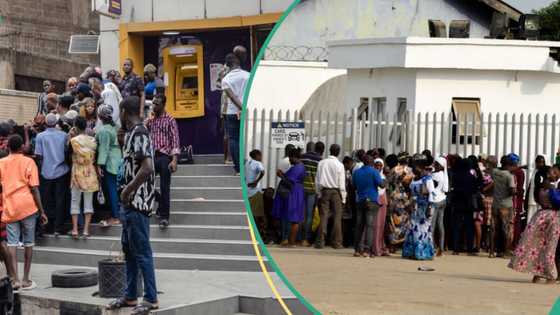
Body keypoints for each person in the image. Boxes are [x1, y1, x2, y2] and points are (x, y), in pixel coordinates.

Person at [107, 96, 158, 313]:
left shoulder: (140, 133)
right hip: (128, 204)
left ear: (124, 111)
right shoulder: (130, 134)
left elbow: (147, 167)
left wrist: (128, 190)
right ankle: (130, 296)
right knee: (129, 251)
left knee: (142, 252)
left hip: (137, 203)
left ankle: (150, 299)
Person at [0, 135, 48, 290]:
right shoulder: (29, 162)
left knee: (12, 243)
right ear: (22, 147)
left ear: (8, 147)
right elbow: (34, 188)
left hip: (10, 207)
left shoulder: (1, 163)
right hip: (28, 207)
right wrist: (42, 212)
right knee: (29, 243)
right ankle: (26, 279)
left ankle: (14, 280)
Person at [509, 165, 560, 284]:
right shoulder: (549, 187)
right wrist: (553, 190)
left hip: (543, 216)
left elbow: (540, 200)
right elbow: (557, 202)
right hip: (551, 217)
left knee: (540, 247)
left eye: (556, 172)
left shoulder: (542, 186)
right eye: (553, 172)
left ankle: (543, 274)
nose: (555, 175)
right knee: (546, 247)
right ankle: (545, 274)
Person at [145, 94, 180, 229]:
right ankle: (160, 201)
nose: (154, 106)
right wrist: (148, 120)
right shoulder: (151, 119)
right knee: (147, 184)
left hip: (165, 157)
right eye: (153, 103)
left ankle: (165, 217)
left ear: (163, 104)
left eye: (157, 104)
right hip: (151, 156)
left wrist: (175, 160)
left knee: (165, 187)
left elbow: (175, 140)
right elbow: (142, 130)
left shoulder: (170, 119)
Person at [34, 113, 70, 236]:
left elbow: (39, 155)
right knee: (60, 199)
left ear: (45, 123)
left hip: (46, 172)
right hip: (61, 171)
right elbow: (67, 152)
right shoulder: (64, 135)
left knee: (46, 200)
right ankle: (58, 227)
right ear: (56, 123)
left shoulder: (40, 136)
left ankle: (45, 226)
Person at [68, 117, 98, 239]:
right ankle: (86, 230)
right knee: (88, 202)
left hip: (77, 173)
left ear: (75, 126)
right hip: (90, 172)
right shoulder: (93, 140)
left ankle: (75, 229)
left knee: (75, 201)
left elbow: (68, 154)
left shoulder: (73, 141)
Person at [402, 154, 435, 260]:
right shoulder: (414, 178)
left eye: (415, 166)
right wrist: (408, 204)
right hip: (414, 208)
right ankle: (411, 252)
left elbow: (431, 194)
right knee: (412, 229)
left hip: (424, 208)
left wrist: (429, 209)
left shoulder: (427, 178)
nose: (413, 168)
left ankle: (422, 253)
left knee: (423, 231)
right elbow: (411, 194)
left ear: (420, 166)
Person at [221, 53, 249, 175]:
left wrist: (239, 107)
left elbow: (231, 97)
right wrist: (244, 108)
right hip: (246, 111)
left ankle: (238, 169)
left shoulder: (225, 79)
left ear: (227, 65)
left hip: (232, 112)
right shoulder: (248, 75)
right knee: (246, 138)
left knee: (234, 139)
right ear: (238, 63)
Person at [352, 155, 385, 257]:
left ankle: (357, 250)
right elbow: (381, 185)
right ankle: (367, 250)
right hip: (372, 201)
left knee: (359, 226)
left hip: (360, 200)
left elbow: (354, 186)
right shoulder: (374, 172)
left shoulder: (356, 172)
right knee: (370, 226)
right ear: (371, 163)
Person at [315, 144, 346, 249]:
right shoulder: (339, 165)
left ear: (329, 150)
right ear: (338, 152)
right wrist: (344, 197)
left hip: (324, 191)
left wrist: (319, 193)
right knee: (337, 217)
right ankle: (336, 242)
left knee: (323, 216)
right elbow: (341, 183)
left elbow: (318, 180)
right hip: (336, 192)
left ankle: (320, 241)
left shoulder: (321, 163)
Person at [272, 148, 306, 247]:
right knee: (293, 218)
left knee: (294, 218)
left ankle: (291, 242)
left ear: (295, 157)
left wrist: (280, 175)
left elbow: (290, 182)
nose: (289, 160)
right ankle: (290, 241)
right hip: (296, 192)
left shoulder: (297, 168)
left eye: (290, 158)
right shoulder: (298, 166)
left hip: (294, 193)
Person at [96, 105, 122, 227]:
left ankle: (115, 216)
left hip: (110, 162)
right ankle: (116, 213)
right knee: (116, 189)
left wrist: (100, 165)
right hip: (119, 159)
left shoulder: (103, 130)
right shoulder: (116, 127)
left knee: (111, 190)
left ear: (100, 116)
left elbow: (104, 149)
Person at [488, 155, 516, 258]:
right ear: (509, 165)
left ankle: (492, 252)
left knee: (494, 228)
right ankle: (505, 252)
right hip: (506, 205)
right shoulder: (509, 176)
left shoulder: (495, 172)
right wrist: (515, 192)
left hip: (495, 204)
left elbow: (493, 168)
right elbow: (512, 191)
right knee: (506, 229)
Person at [386, 152, 413, 251]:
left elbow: (388, 185)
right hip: (405, 199)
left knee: (393, 222)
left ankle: (393, 245)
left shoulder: (393, 170)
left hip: (394, 198)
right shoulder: (410, 170)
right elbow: (411, 187)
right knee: (405, 222)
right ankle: (403, 244)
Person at [451, 158, 477, 255]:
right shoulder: (471, 177)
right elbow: (475, 189)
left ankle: (456, 249)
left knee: (456, 227)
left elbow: (453, 188)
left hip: (457, 203)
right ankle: (469, 249)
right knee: (469, 227)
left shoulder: (456, 176)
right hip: (468, 204)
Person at [300, 142, 322, 246]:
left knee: (300, 214)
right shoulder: (319, 160)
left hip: (301, 189)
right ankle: (306, 239)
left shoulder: (301, 157)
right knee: (309, 215)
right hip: (312, 190)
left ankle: (298, 237)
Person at [246, 150, 266, 240]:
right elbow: (262, 172)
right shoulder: (258, 163)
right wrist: (256, 181)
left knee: (251, 214)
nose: (261, 157)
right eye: (260, 155)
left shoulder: (247, 163)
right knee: (257, 215)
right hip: (255, 191)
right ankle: (258, 235)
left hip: (248, 191)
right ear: (257, 155)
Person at [430, 156, 448, 256]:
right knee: (440, 225)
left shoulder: (435, 175)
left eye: (436, 164)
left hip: (435, 201)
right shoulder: (444, 175)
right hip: (443, 200)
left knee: (432, 226)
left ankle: (432, 247)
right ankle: (441, 248)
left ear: (441, 166)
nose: (434, 165)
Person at [371, 158, 389, 256]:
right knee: (375, 225)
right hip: (376, 200)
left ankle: (380, 246)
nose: (378, 167)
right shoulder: (374, 176)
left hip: (382, 201)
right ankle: (375, 248)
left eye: (380, 165)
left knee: (381, 225)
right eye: (376, 165)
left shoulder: (382, 176)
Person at [526, 155, 549, 224]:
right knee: (531, 218)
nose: (539, 164)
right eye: (538, 162)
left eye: (541, 162)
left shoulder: (546, 173)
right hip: (532, 200)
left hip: (540, 201)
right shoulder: (534, 171)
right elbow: (531, 185)